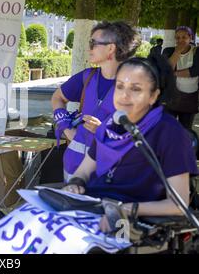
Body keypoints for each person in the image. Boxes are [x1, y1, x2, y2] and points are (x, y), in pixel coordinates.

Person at [63, 55, 197, 232]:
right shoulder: (110, 125)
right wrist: (75, 184)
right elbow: (83, 172)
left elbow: (178, 204)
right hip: (92, 211)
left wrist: (126, 210)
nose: (124, 96)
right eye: (119, 87)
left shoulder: (170, 133)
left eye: (136, 89)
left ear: (153, 95)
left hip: (133, 226)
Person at [51, 21, 141, 180]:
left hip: (109, 173)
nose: (89, 48)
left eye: (93, 43)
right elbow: (57, 98)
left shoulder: (135, 86)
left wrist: (103, 131)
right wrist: (66, 127)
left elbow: (139, 137)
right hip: (74, 167)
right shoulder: (87, 76)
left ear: (111, 49)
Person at [162, 26, 199, 129]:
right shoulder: (169, 51)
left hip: (190, 97)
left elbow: (194, 71)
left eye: (184, 37)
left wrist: (173, 73)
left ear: (190, 38)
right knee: (169, 127)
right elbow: (166, 70)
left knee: (185, 129)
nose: (180, 40)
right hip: (171, 97)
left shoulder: (196, 51)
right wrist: (177, 52)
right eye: (178, 38)